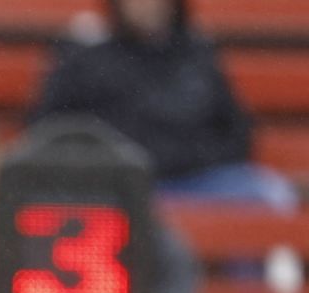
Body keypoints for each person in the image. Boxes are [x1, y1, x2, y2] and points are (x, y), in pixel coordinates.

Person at [29, 0, 295, 210]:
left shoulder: (197, 55)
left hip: (197, 182)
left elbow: (238, 134)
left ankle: (255, 281)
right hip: (117, 188)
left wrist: (187, 157)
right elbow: (47, 131)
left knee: (268, 194)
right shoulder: (87, 59)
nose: (149, 4)